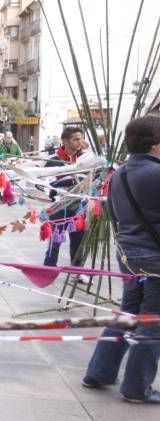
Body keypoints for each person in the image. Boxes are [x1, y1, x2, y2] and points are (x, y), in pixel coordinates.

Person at [83, 116, 160, 403]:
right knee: (152, 322)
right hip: (154, 257)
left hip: (128, 253)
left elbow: (114, 215)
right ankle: (137, 388)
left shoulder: (121, 174)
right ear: (155, 144)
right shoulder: (156, 174)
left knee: (127, 313)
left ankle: (99, 371)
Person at [43, 127, 88, 272]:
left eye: (81, 138)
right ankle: (49, 268)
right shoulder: (53, 160)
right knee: (55, 238)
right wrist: (65, 185)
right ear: (65, 141)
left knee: (78, 239)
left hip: (80, 205)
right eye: (75, 139)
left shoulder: (85, 158)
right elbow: (45, 184)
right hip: (59, 206)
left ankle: (77, 269)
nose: (79, 142)